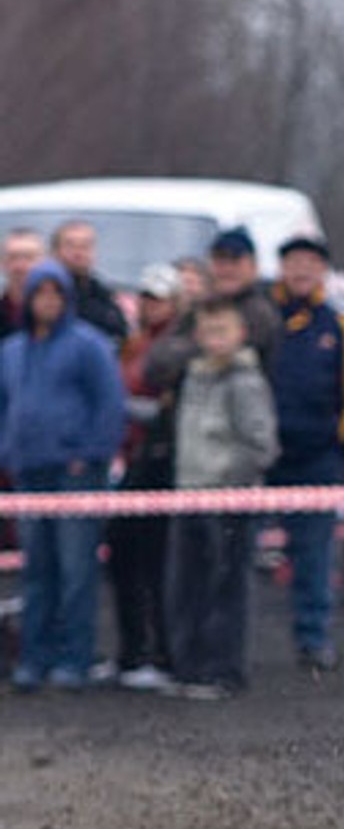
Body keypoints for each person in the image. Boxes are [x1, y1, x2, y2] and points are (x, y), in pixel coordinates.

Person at [0, 260, 127, 691]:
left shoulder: (89, 345)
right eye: (41, 293)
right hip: (28, 473)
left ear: (67, 299)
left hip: (75, 475)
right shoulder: (13, 351)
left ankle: (75, 659)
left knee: (76, 570)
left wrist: (89, 454)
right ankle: (34, 659)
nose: (48, 302)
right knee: (37, 571)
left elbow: (111, 406)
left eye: (56, 293)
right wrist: (9, 451)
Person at [167, 298, 279, 701]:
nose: (214, 339)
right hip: (188, 496)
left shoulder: (246, 382)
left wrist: (229, 483)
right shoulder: (192, 378)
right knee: (188, 587)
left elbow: (261, 445)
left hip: (228, 501)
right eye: (208, 330)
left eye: (223, 330)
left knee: (227, 588)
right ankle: (190, 666)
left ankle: (224, 670)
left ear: (240, 333)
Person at [268, 234, 344, 673]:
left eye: (310, 262)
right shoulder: (265, 318)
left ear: (323, 270)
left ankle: (313, 638)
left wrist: (338, 442)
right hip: (262, 456)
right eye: (293, 262)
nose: (301, 270)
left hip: (315, 457)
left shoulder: (340, 325)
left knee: (314, 553)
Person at [107, 264, 195, 691]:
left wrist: (130, 409)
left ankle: (163, 652)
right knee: (123, 558)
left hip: (162, 462)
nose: (150, 304)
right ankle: (132, 651)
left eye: (159, 297)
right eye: (145, 297)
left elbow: (168, 406)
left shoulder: (177, 346)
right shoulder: (134, 344)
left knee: (159, 563)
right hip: (132, 459)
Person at [199, 227, 281, 372]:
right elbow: (159, 362)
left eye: (235, 262)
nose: (227, 269)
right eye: (220, 262)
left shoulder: (261, 313)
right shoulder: (199, 305)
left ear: (253, 266)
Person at [50, 220, 129, 346]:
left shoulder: (104, 298)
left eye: (85, 246)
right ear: (55, 252)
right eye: (70, 246)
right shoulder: (43, 294)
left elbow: (119, 338)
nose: (78, 252)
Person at [1, 227, 45, 341]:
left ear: (45, 262)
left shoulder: (63, 317)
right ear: (2, 263)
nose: (20, 266)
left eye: (28, 257)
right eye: (13, 257)